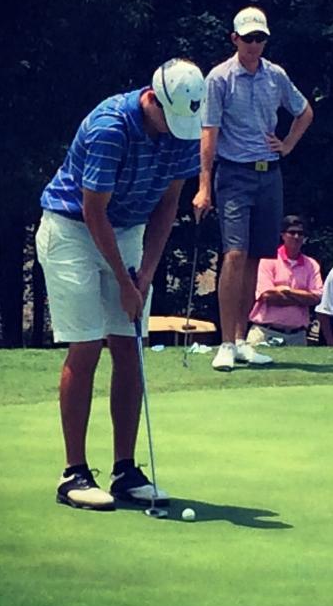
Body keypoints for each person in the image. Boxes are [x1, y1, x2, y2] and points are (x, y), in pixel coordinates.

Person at [35, 58, 205, 511]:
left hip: (127, 231)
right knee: (88, 344)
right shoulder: (110, 126)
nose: (175, 129)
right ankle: (73, 473)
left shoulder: (183, 128)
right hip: (72, 230)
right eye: (169, 119)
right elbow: (93, 211)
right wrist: (124, 282)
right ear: (152, 98)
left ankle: (126, 470)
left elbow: (169, 205)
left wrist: (145, 275)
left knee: (129, 343)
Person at [193, 5, 314, 371]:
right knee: (233, 254)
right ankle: (226, 343)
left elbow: (304, 111)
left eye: (260, 38)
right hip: (233, 173)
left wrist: (288, 145)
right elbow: (208, 134)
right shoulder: (219, 78)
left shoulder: (275, 76)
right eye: (248, 38)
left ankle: (243, 340)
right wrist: (203, 187)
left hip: (269, 174)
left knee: (254, 259)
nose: (254, 44)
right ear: (235, 39)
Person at [246, 215, 323, 347]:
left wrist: (287, 291)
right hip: (265, 332)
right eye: (292, 232)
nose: (296, 237)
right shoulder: (267, 260)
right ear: (283, 235)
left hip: (298, 336)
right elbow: (267, 296)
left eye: (300, 233)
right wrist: (302, 298)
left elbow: (316, 298)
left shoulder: (312, 264)